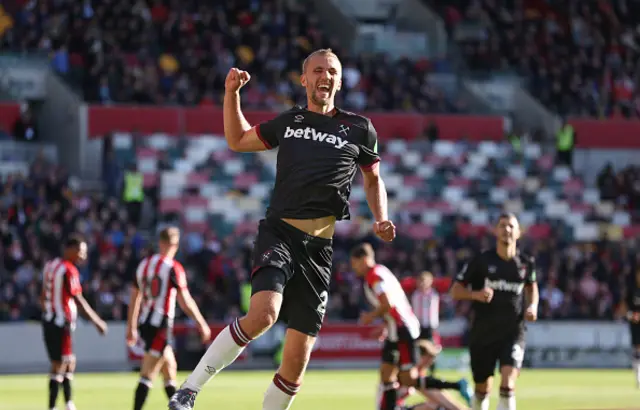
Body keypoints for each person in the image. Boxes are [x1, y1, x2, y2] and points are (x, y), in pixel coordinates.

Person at [169, 48, 396, 410]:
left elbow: (373, 180)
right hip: (280, 233)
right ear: (304, 79)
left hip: (320, 250)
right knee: (263, 314)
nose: (325, 77)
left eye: (332, 72)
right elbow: (238, 139)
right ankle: (189, 389)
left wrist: (381, 216)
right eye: (318, 70)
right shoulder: (290, 122)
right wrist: (232, 95)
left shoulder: (360, 128)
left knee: (296, 360)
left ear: (339, 80)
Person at [350, 243, 471, 410]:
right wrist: (385, 325)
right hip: (397, 328)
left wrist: (370, 317)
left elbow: (388, 303)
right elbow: (393, 305)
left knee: (407, 378)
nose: (353, 268)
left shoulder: (374, 276)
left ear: (363, 259)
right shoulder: (382, 271)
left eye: (354, 263)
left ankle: (457, 385)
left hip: (402, 329)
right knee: (387, 373)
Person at [449, 213, 539, 410]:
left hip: (513, 332)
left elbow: (531, 287)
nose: (506, 230)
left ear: (518, 232)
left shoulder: (525, 263)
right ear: (495, 231)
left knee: (507, 384)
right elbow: (455, 290)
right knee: (482, 388)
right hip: (483, 333)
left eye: (511, 226)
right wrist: (476, 295)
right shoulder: (481, 261)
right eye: (502, 225)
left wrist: (532, 306)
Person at [127, 227, 211, 410]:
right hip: (161, 324)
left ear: (160, 242)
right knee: (148, 372)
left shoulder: (144, 265)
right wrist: (201, 323)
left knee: (169, 370)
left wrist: (131, 326)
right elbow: (185, 300)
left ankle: (178, 407)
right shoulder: (173, 267)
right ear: (175, 245)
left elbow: (135, 298)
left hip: (145, 322)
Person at [41, 235, 108, 410]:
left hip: (49, 320)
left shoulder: (50, 266)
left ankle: (67, 403)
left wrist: (48, 310)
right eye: (81, 251)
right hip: (61, 321)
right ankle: (56, 406)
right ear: (69, 249)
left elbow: (43, 295)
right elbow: (78, 298)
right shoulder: (68, 270)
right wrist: (96, 321)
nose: (83, 256)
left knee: (67, 361)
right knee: (61, 363)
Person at [411, 271, 440, 375]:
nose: (422, 284)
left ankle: (432, 372)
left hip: (429, 326)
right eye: (420, 281)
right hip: (418, 326)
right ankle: (419, 371)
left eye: (425, 281)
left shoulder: (433, 295)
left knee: (432, 350)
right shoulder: (416, 295)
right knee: (418, 349)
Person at [625, 270, 640, 387]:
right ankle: (638, 376)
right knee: (636, 350)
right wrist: (632, 315)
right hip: (635, 326)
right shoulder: (632, 292)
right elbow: (625, 310)